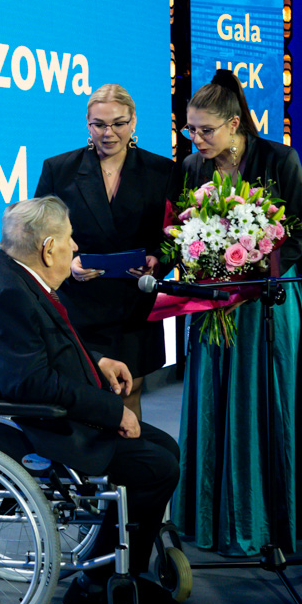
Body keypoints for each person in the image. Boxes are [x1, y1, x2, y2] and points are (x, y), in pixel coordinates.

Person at [0, 195, 182, 604]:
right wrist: (113, 411)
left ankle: (114, 570)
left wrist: (98, 361)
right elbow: (31, 385)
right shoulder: (8, 296)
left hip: (47, 412)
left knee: (165, 448)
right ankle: (99, 585)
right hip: (33, 426)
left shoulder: (15, 280)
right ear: (48, 248)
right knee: (156, 467)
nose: (76, 247)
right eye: (71, 238)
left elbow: (45, 351)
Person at [171, 69, 302, 557]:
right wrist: (202, 263)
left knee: (262, 405)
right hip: (212, 303)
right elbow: (183, 232)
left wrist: (251, 271)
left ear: (234, 124)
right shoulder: (193, 166)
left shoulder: (280, 159)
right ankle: (210, 520)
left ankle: (264, 520)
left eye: (205, 130)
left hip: (265, 305)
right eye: (191, 129)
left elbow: (299, 234)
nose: (196, 139)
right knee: (213, 402)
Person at [35, 84, 180, 422]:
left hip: (134, 304)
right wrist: (67, 264)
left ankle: (129, 458)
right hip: (80, 303)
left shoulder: (162, 170)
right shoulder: (59, 169)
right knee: (83, 394)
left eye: (118, 123)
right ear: (87, 124)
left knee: (130, 391)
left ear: (133, 122)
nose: (108, 133)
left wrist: (158, 261)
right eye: (99, 124)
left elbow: (176, 234)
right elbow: (41, 234)